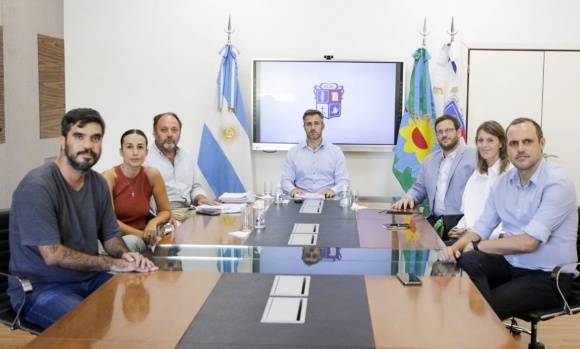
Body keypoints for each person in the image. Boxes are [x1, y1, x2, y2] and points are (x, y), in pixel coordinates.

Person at [8, 108, 157, 330]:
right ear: (62, 141)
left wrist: (127, 256)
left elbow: (110, 236)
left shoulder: (97, 183)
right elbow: (53, 254)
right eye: (79, 136)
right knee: (87, 324)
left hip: (89, 278)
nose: (88, 145)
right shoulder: (37, 186)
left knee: (146, 293)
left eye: (95, 138)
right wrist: (115, 264)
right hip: (42, 288)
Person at [438, 117, 578, 320]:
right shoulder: (502, 184)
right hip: (512, 265)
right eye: (514, 143)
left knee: (481, 307)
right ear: (507, 147)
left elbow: (528, 243)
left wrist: (476, 246)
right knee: (464, 261)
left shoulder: (558, 184)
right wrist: (455, 248)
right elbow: (481, 228)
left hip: (549, 277)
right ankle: (481, 323)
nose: (520, 148)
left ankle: (482, 321)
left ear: (541, 144)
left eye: (527, 142)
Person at [393, 114, 476, 236]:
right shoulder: (429, 160)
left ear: (458, 132)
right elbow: (419, 187)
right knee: (406, 237)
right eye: (440, 132)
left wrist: (471, 227)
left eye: (448, 130)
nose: (444, 135)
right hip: (435, 221)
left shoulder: (475, 157)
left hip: (462, 224)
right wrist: (408, 197)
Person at [102, 129, 172, 252]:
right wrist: (145, 236)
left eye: (140, 147)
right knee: (129, 242)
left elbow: (166, 211)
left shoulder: (152, 175)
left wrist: (153, 223)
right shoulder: (109, 177)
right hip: (115, 238)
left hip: (143, 234)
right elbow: (110, 222)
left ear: (146, 152)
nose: (135, 152)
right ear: (121, 152)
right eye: (129, 147)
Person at [144, 112, 220, 223]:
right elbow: (143, 197)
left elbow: (195, 186)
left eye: (174, 130)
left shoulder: (187, 156)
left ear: (180, 133)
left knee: (218, 223)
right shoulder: (145, 159)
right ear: (154, 133)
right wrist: (162, 215)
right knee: (179, 234)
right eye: (164, 130)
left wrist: (200, 198)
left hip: (190, 210)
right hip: (165, 213)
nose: (170, 134)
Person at [448, 121, 512, 242]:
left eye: (490, 140)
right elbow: (468, 213)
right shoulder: (476, 175)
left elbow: (508, 224)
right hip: (470, 236)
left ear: (501, 144)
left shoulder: (509, 175)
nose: (484, 145)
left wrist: (474, 233)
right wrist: (457, 229)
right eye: (480, 140)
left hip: (493, 241)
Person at [281, 109, 350, 198]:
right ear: (304, 127)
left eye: (316, 123)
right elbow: (285, 180)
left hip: (328, 201)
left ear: (323, 126)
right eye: (309, 124)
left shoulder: (336, 151)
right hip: (300, 200)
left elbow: (344, 181)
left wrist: (333, 190)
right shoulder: (293, 152)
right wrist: (292, 189)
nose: (313, 128)